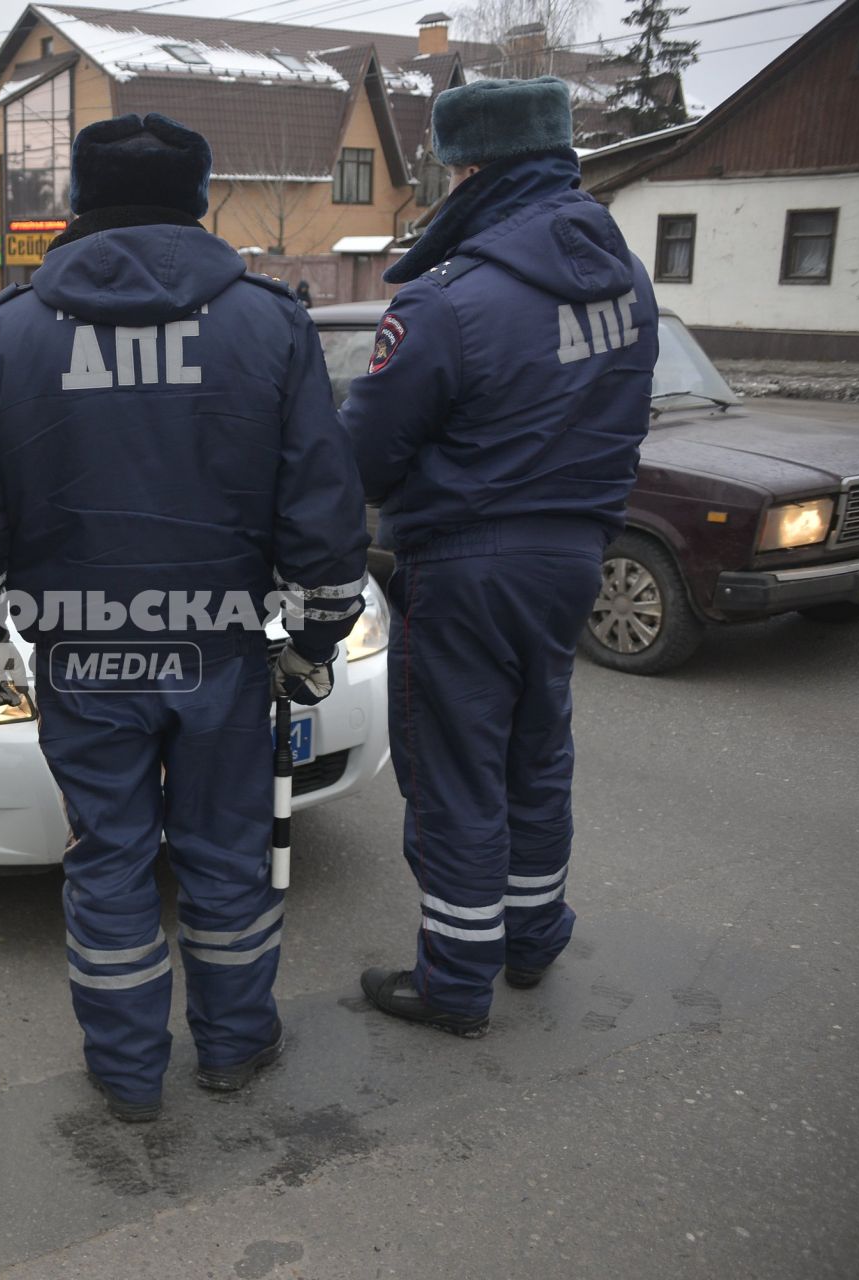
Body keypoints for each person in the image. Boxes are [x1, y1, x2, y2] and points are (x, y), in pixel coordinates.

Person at [0, 114, 369, 1122]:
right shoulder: (269, 323)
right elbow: (323, 503)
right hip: (219, 652)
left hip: (84, 653)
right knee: (224, 853)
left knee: (111, 860)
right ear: (200, 197)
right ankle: (236, 1045)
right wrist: (316, 637)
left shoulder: (11, 330)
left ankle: (127, 1073)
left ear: (76, 200)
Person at [340, 78, 656, 1036]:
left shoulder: (451, 299)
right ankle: (532, 937)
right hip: (573, 555)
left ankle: (455, 980)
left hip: (469, 561)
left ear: (471, 167)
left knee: (456, 769)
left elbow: (366, 453)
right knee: (535, 752)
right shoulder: (626, 280)